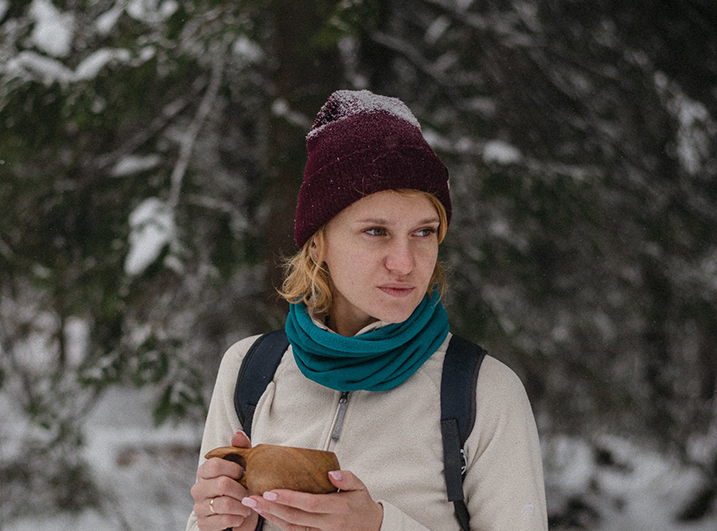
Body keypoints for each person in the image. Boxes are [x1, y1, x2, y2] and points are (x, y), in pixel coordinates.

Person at [187, 90, 547, 531]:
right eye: (376, 231)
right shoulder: (250, 370)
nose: (405, 263)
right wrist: (222, 523)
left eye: (424, 232)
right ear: (317, 243)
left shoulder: (481, 392)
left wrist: (378, 526)